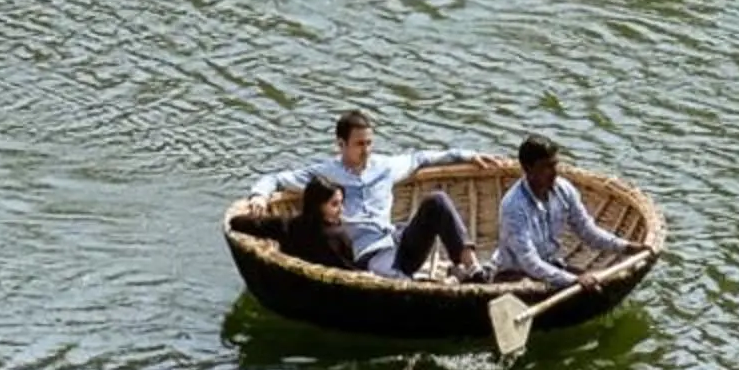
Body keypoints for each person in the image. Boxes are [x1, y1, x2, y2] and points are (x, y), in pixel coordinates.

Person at [249, 110, 496, 277]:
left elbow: (421, 158)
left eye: (369, 143)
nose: (366, 150)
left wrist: (467, 155)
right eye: (359, 145)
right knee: (395, 283)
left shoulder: (384, 166)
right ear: (341, 144)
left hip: (397, 243)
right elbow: (276, 179)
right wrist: (259, 195)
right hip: (368, 256)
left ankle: (473, 268)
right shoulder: (326, 175)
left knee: (437, 201)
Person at [495, 134, 643, 290]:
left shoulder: (563, 190)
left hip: (549, 265)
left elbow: (587, 231)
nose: (554, 172)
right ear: (528, 168)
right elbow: (529, 262)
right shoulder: (513, 206)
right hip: (516, 274)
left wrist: (626, 247)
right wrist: (573, 280)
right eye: (546, 167)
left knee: (596, 287)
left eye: (554, 165)